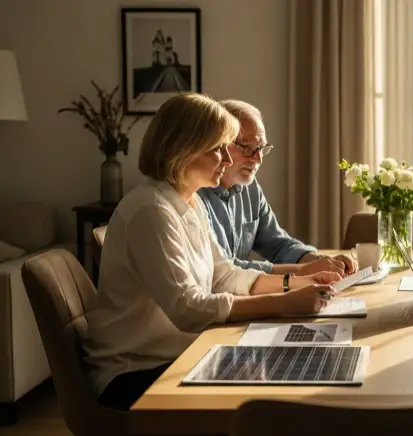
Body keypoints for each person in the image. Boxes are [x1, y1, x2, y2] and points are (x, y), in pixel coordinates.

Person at [82, 93, 341, 411]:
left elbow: (225, 275)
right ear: (184, 148)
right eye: (219, 148)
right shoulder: (150, 210)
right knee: (282, 395)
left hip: (180, 355)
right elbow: (187, 308)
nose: (229, 159)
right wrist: (285, 302)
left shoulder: (189, 202)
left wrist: (298, 281)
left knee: (294, 376)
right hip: (133, 374)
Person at [197, 99, 357, 277]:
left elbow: (278, 244)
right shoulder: (195, 193)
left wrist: (320, 261)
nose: (257, 159)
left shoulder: (250, 188)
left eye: (261, 148)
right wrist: (303, 270)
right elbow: (223, 270)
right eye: (247, 148)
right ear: (219, 144)